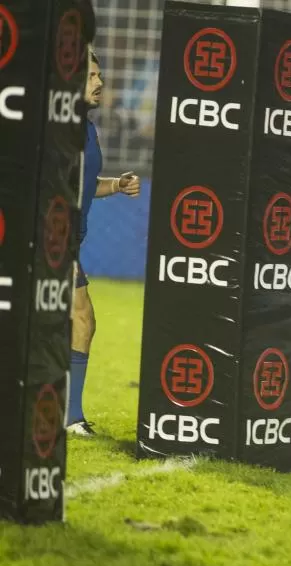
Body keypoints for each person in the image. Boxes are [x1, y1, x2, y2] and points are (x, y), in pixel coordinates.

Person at [66, 47, 141, 436]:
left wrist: (117, 184)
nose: (100, 83)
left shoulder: (87, 130)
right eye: (91, 76)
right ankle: (70, 416)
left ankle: (68, 414)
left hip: (63, 244)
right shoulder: (48, 128)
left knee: (78, 321)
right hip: (42, 244)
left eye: (100, 76)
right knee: (82, 318)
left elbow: (83, 184)